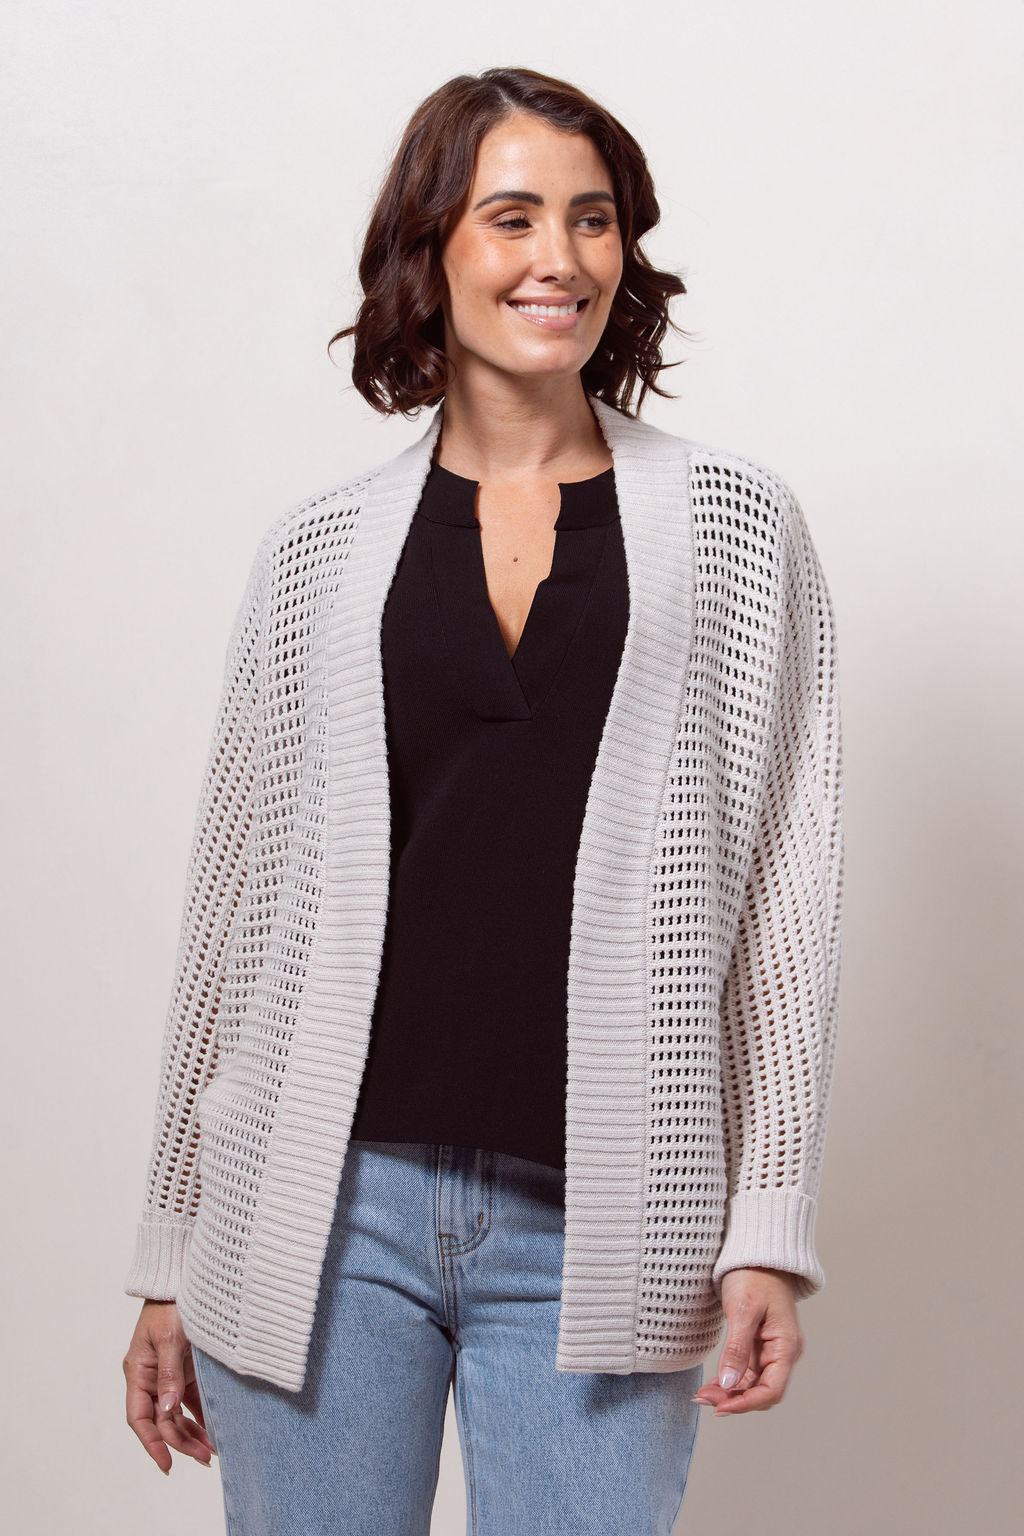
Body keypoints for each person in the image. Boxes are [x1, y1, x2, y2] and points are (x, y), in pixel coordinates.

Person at [122, 65, 844, 1535]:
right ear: (431, 247)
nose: (558, 258)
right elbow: (233, 914)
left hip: (609, 1214)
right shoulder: (320, 551)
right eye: (512, 217)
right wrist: (169, 1251)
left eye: (592, 219)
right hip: (321, 1211)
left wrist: (770, 1223)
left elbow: (788, 897)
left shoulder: (735, 530)